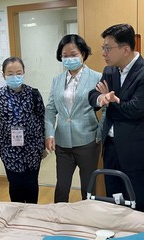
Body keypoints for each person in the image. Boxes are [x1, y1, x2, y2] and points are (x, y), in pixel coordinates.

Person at [88, 24, 144, 217]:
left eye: (107, 48)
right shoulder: (110, 70)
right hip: (111, 147)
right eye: (103, 47)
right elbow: (93, 94)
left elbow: (134, 110)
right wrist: (101, 98)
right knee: (115, 200)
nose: (103, 53)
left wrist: (112, 102)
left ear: (125, 49)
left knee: (140, 201)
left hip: (135, 150)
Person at [45, 34, 103, 203]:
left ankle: (87, 221)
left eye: (73, 54)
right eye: (65, 55)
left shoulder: (97, 77)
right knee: (62, 187)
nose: (69, 58)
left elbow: (106, 108)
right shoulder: (57, 80)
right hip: (62, 142)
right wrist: (49, 134)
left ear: (83, 54)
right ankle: (59, 221)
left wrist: (100, 132)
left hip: (88, 141)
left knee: (88, 187)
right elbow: (50, 109)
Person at [0, 57, 45, 203]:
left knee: (31, 185)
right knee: (15, 185)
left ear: (24, 72)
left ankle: (32, 215)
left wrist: (42, 145)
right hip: (9, 150)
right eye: (10, 73)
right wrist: (7, 128)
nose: (15, 76)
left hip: (32, 149)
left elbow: (41, 118)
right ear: (3, 75)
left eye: (18, 73)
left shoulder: (34, 94)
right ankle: (16, 217)